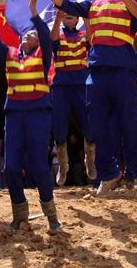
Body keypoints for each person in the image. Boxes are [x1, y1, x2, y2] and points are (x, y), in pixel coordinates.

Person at [33, 0, 137, 197]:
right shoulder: (96, 3)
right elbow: (65, 4)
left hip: (122, 72)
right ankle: (108, 175)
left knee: (130, 123)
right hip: (96, 73)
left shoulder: (135, 2)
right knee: (99, 127)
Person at [0, 0, 62, 233]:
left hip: (39, 115)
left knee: (39, 166)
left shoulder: (44, 54)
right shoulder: (9, 54)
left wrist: (33, 12)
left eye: (33, 35)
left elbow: (45, 34)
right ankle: (19, 215)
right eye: (26, 34)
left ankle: (51, 216)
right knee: (11, 168)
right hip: (15, 116)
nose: (30, 36)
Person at [50, 10, 92, 185]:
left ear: (77, 19)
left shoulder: (83, 35)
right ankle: (62, 163)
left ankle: (90, 159)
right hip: (61, 85)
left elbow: (92, 39)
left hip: (81, 84)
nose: (69, 15)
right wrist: (58, 20)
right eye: (65, 14)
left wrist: (87, 19)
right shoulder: (58, 34)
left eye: (72, 14)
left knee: (88, 123)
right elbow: (52, 39)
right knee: (59, 126)